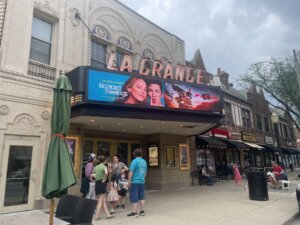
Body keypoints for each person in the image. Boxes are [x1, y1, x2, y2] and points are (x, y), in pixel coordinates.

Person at [127, 148, 147, 217]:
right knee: (142, 197)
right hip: (142, 181)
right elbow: (145, 172)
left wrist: (129, 180)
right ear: (140, 154)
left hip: (135, 181)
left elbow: (131, 171)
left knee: (134, 196)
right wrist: (143, 179)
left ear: (134, 154)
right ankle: (142, 211)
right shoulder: (144, 161)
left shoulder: (134, 161)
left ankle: (134, 212)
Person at [95, 155, 113, 220]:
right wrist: (104, 178)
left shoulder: (96, 167)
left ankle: (108, 215)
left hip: (97, 183)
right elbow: (106, 173)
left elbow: (93, 174)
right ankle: (97, 216)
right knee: (101, 200)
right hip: (102, 183)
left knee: (103, 200)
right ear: (105, 161)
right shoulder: (104, 166)